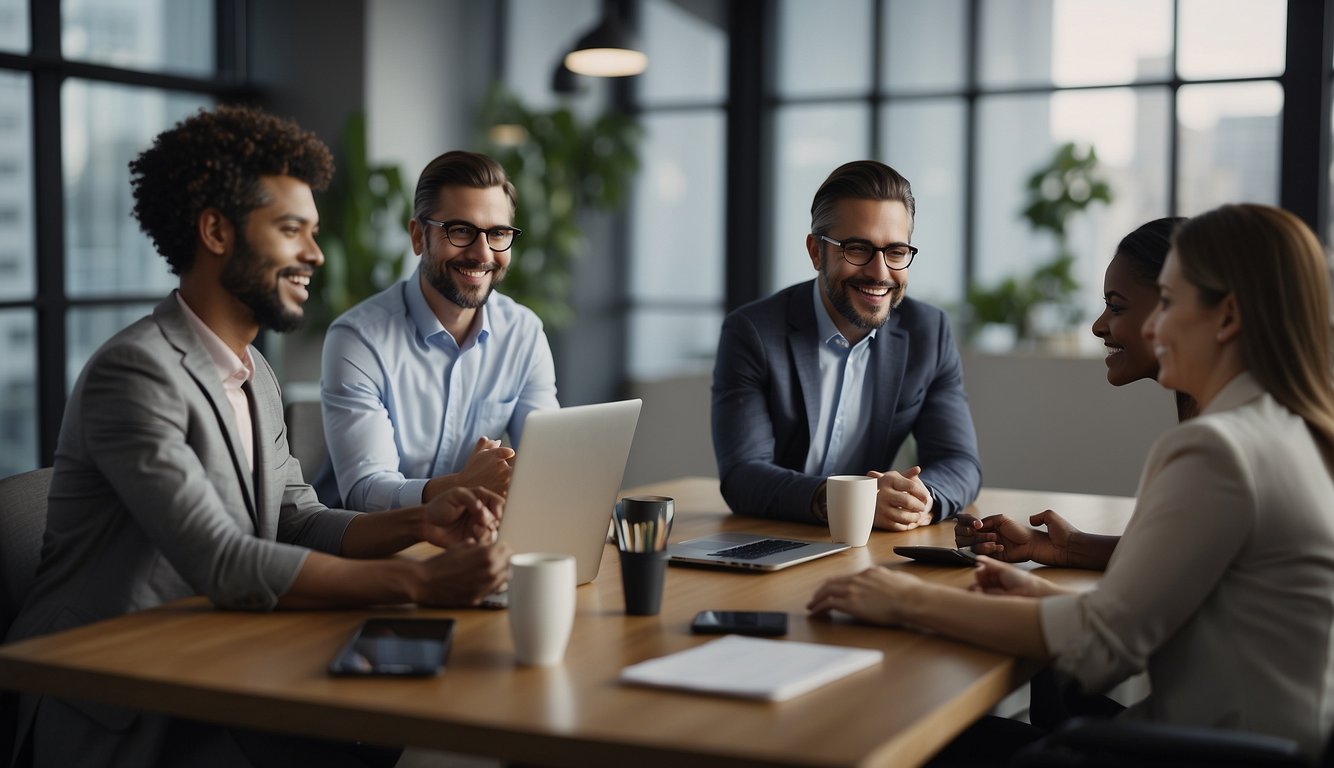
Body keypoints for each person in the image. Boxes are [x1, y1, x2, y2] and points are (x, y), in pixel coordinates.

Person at [5, 106, 511, 767]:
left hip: (222, 664)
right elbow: (224, 560)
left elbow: (294, 519)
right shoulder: (133, 373)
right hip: (122, 708)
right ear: (216, 231)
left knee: (405, 728)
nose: (315, 254)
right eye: (291, 230)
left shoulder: (253, 372)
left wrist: (423, 520)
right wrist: (417, 584)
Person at [810, 203, 1334, 762]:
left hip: (1202, 755)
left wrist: (907, 600)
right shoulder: (1291, 431)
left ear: (1226, 319)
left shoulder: (1219, 448)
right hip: (1260, 747)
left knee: (899, 738)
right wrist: (1044, 592)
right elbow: (1161, 614)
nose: (1154, 327)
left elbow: (1103, 650)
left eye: (1170, 304)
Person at [711, 160, 981, 530]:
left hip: (871, 547)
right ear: (817, 252)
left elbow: (960, 461)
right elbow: (743, 475)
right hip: (780, 534)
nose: (880, 273)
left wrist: (922, 500)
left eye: (896, 252)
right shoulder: (753, 332)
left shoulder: (928, 332)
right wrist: (848, 501)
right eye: (857, 249)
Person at [318, 150, 558, 512]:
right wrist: (463, 486)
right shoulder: (358, 339)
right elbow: (366, 492)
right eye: (461, 230)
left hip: (475, 538)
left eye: (497, 233)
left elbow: (549, 463)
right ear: (418, 236)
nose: (483, 253)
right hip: (370, 553)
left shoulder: (524, 333)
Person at [954, 218, 1189, 567]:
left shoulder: (1214, 445)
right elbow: (1178, 558)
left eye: (1117, 307)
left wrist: (909, 599)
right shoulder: (1213, 419)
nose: (1097, 326)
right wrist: (1064, 548)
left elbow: (1117, 612)